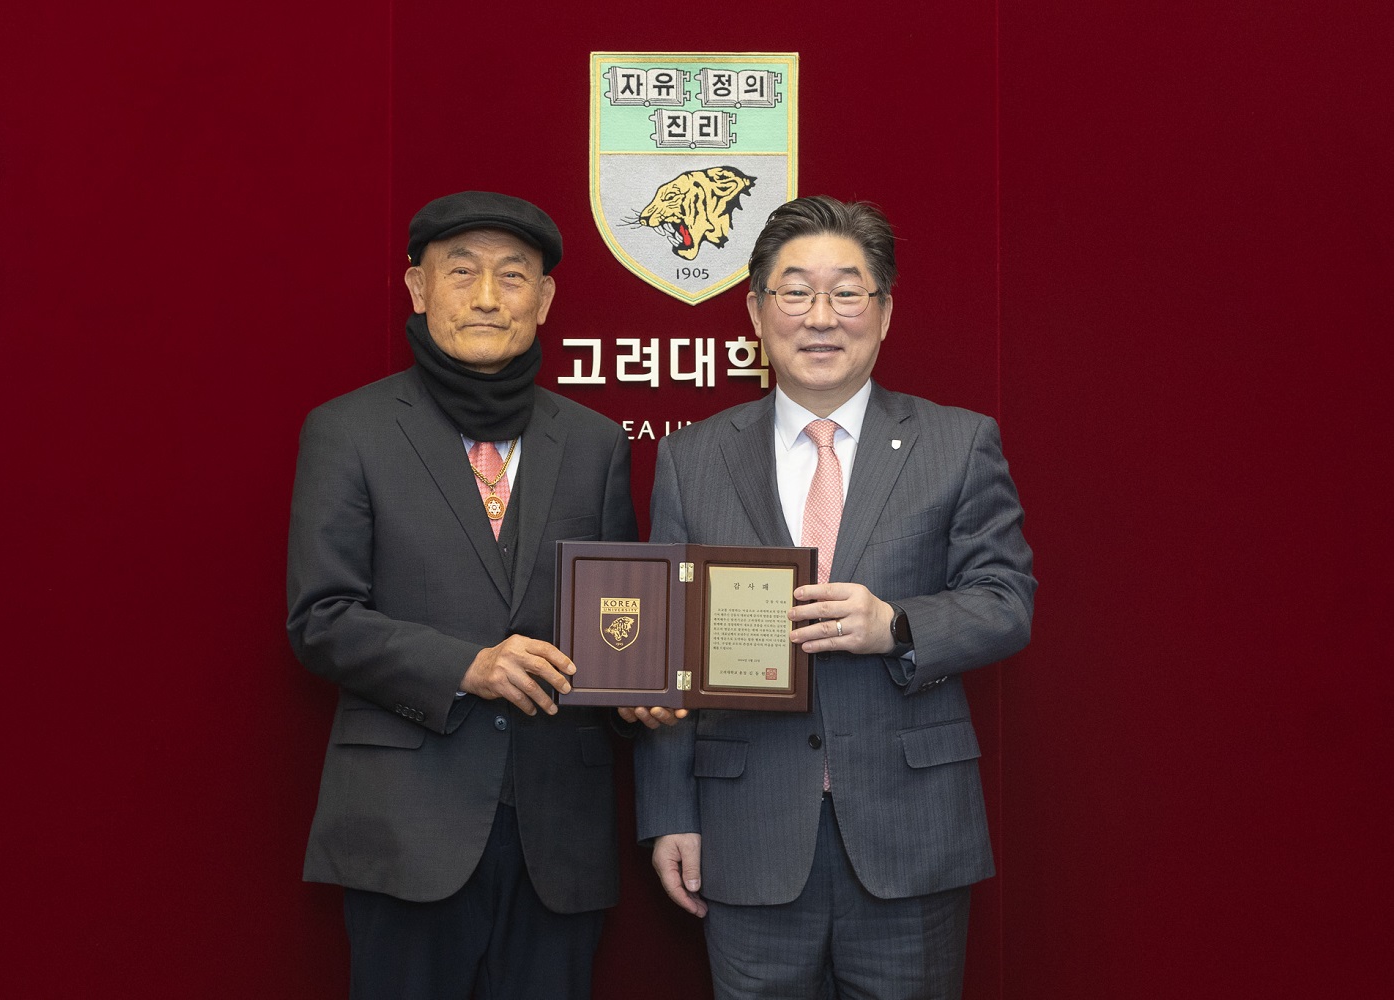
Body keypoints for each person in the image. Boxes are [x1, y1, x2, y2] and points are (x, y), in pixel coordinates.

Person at [629, 195, 1036, 999]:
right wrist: (669, 811)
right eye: (795, 292)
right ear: (756, 312)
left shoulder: (957, 443)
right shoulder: (691, 459)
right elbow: (665, 654)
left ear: (884, 313)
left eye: (847, 292)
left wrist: (896, 624)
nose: (821, 317)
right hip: (746, 832)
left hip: (911, 831)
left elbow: (1006, 599)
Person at [287, 191, 639, 1000]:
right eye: (462, 273)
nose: (487, 297)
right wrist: (466, 667)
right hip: (408, 829)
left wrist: (639, 693)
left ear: (543, 299)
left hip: (559, 835)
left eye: (512, 276)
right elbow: (321, 619)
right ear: (418, 288)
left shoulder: (594, 443)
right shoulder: (349, 431)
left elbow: (617, 615)